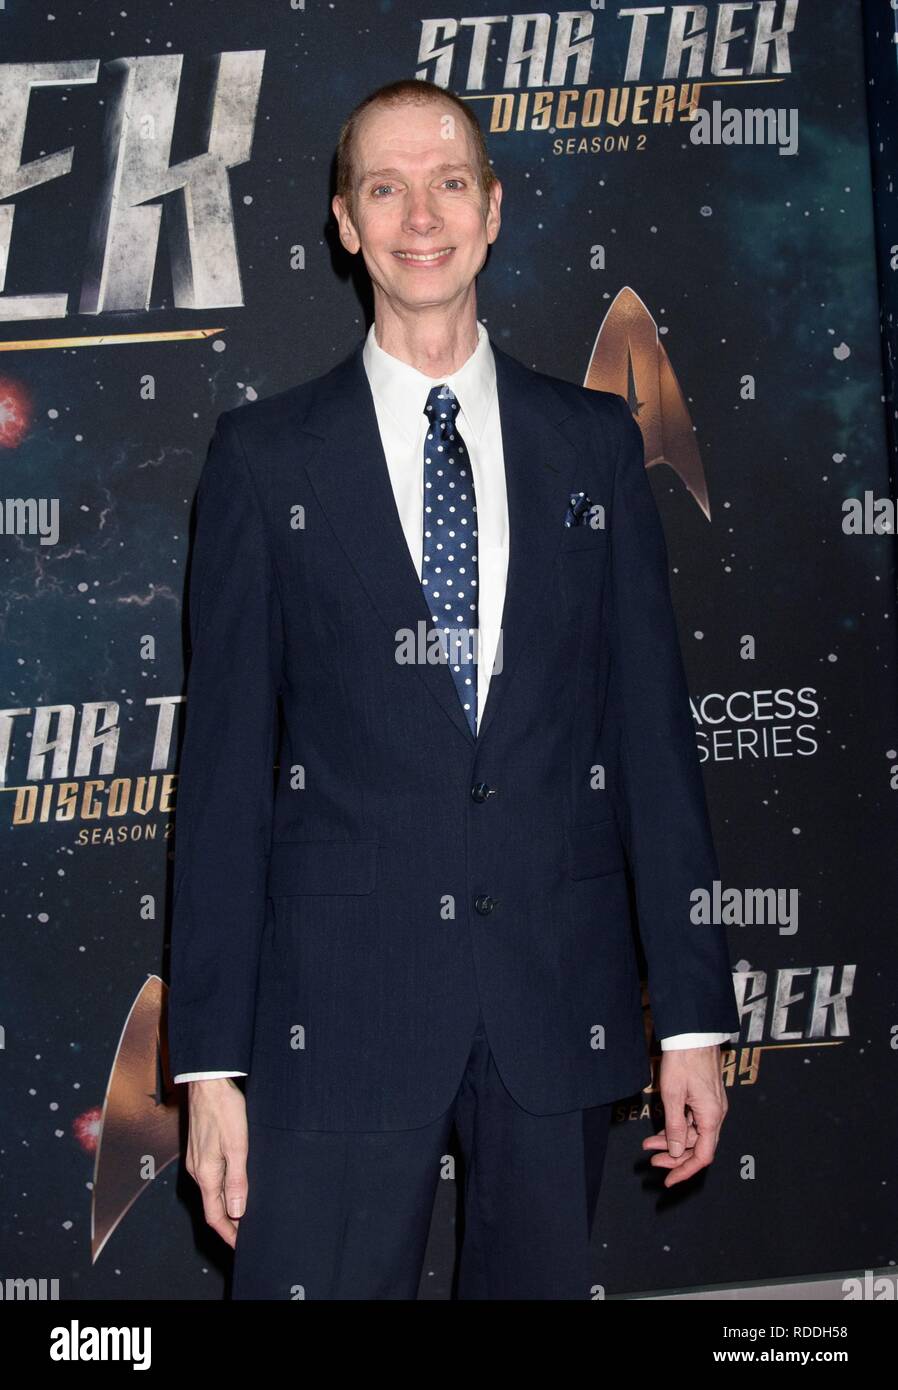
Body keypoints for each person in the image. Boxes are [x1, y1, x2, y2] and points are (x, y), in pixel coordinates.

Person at [167, 77, 740, 1300]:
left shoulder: (593, 443)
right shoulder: (267, 461)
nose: (417, 215)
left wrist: (692, 1019)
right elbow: (219, 789)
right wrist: (208, 1067)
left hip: (553, 994)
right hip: (334, 1008)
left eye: (447, 183)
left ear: (491, 210)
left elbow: (651, 742)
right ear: (342, 220)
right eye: (384, 186)